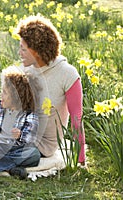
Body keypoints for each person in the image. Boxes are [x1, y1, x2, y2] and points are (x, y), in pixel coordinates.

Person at [16, 15, 86, 165]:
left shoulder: (67, 74)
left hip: (43, 143)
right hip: (17, 134)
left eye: (23, 49)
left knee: (26, 154)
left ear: (37, 51)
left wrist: (80, 160)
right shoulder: (25, 69)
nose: (19, 53)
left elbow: (76, 118)